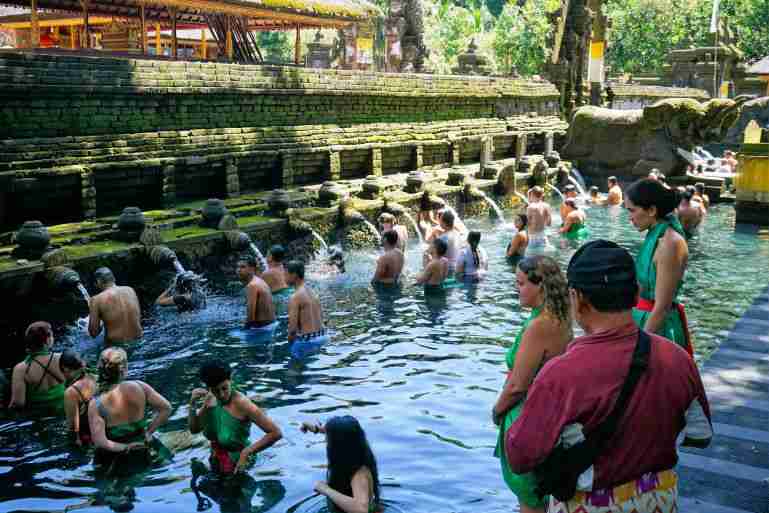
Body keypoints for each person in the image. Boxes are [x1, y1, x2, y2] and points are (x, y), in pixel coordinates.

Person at [505, 240, 712, 513]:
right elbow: (700, 435)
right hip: (659, 501)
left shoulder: (561, 374)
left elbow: (520, 455)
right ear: (636, 292)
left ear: (576, 298)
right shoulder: (677, 359)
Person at [492, 256, 572, 513]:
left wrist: (497, 411)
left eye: (521, 283)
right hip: (550, 412)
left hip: (526, 415)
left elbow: (518, 385)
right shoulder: (561, 316)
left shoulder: (539, 325)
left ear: (540, 286)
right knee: (542, 491)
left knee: (528, 495)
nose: (517, 288)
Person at [625, 178, 692, 355]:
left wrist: (638, 351)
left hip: (656, 330)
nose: (629, 218)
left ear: (652, 210)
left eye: (632, 210)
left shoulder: (670, 243)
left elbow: (661, 308)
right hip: (645, 321)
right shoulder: (656, 235)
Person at [188, 361, 282, 475]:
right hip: (216, 457)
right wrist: (192, 403)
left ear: (230, 380)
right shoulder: (210, 398)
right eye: (216, 390)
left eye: (225, 388)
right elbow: (194, 429)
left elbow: (276, 433)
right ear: (209, 388)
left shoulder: (243, 404)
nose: (221, 395)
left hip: (239, 463)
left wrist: (246, 453)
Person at [88, 347, 172, 467]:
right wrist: (148, 433)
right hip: (144, 446)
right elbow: (166, 408)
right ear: (125, 369)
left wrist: (127, 447)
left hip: (114, 457)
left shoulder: (96, 403)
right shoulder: (140, 386)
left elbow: (100, 442)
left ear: (100, 369)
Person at [301, 416, 381, 513]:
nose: (325, 440)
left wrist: (326, 490)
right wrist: (316, 429)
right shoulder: (356, 452)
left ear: (339, 445)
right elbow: (343, 433)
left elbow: (361, 510)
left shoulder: (359, 473)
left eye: (328, 439)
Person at [8, 321, 65, 411]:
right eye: (52, 336)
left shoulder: (21, 369)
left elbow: (18, 403)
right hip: (63, 411)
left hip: (38, 417)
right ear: (47, 340)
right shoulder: (62, 359)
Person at [89, 267, 143, 344]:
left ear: (98, 282)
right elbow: (137, 316)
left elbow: (93, 333)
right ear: (114, 278)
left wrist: (102, 322)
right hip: (139, 341)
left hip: (116, 346)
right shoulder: (130, 290)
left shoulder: (96, 300)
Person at [61, 349, 97, 445]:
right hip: (100, 430)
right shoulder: (95, 377)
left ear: (65, 369)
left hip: (86, 438)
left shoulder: (72, 392)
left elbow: (72, 426)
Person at [286, 260, 324, 342]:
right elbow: (322, 318)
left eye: (286, 274)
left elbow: (292, 330)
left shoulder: (295, 297)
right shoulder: (313, 291)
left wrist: (289, 343)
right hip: (322, 336)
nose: (284, 277)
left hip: (307, 340)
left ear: (294, 275)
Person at [237, 254, 276, 329]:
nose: (238, 270)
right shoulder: (259, 281)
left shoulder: (252, 285)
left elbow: (251, 315)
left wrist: (245, 329)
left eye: (242, 267)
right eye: (238, 267)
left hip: (263, 329)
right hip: (271, 325)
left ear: (252, 268)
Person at [425, 209, 460, 274]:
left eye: (440, 221)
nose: (439, 222)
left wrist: (429, 231)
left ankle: (426, 276)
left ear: (444, 223)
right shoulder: (457, 233)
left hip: (447, 268)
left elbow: (430, 251)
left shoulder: (443, 237)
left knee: (426, 254)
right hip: (456, 266)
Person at [526, 187, 552, 254]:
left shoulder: (530, 207)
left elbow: (527, 223)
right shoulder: (546, 206)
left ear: (532, 195)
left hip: (533, 237)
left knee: (530, 259)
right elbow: (549, 222)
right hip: (543, 235)